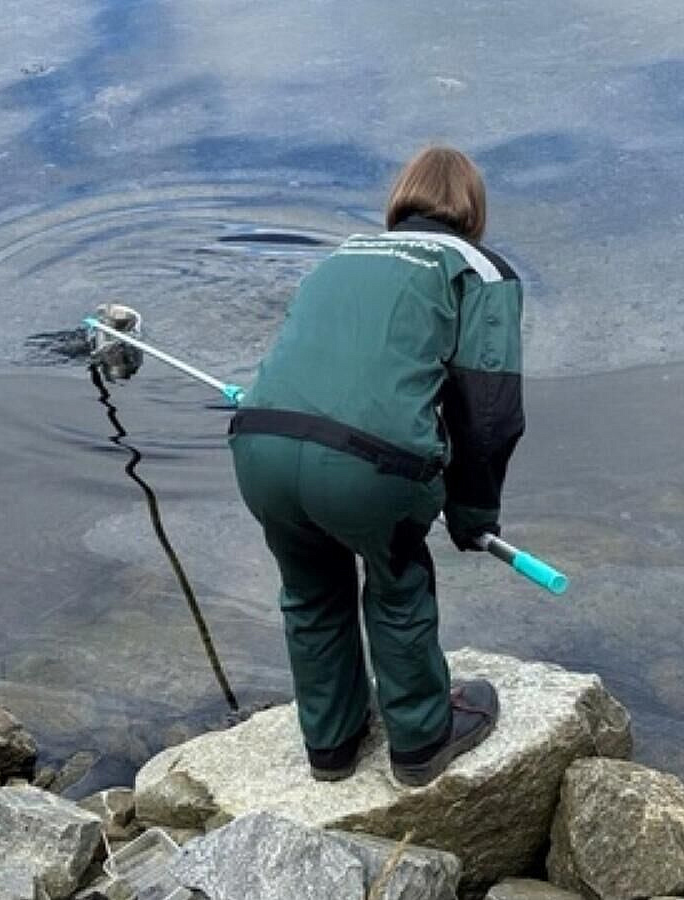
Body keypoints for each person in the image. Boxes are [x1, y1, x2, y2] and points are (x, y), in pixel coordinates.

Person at [228, 146, 525, 787]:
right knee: (397, 585)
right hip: (369, 470)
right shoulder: (482, 270)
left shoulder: (342, 254)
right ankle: (421, 740)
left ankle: (331, 745)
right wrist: (472, 515)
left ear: (401, 197)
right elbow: (490, 409)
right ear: (473, 211)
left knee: (310, 591)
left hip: (259, 444)